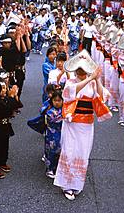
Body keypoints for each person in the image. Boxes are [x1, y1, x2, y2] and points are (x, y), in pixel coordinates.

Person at [54, 50, 111, 201]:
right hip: (73, 123)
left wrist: (97, 79)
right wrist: (90, 78)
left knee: (83, 153)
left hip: (87, 124)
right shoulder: (71, 82)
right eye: (79, 68)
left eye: (84, 68)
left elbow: (102, 96)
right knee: (70, 151)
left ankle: (77, 184)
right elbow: (68, 93)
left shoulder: (92, 82)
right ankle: (66, 185)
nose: (81, 70)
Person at [0, 79, 19, 179]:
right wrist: (11, 97)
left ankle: (3, 162)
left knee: (5, 146)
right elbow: (5, 110)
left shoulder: (6, 99)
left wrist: (15, 96)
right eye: (1, 88)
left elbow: (17, 106)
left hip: (5, 126)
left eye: (5, 88)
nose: (4, 90)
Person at [44, 89, 63, 179]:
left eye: (59, 100)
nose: (57, 102)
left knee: (59, 151)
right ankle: (50, 169)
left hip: (61, 133)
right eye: (55, 100)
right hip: (52, 134)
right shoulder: (50, 111)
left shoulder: (64, 110)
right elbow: (56, 120)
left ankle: (57, 168)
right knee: (52, 151)